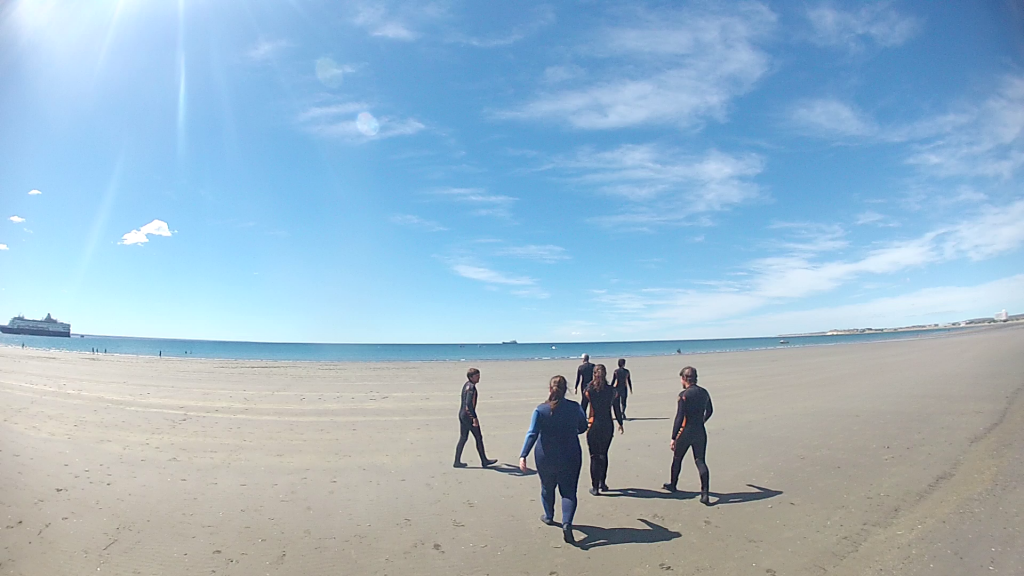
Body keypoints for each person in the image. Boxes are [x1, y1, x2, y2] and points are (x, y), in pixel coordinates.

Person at [519, 375, 589, 544]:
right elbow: (583, 426)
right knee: (569, 491)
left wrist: (523, 455)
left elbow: (532, 433)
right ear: (566, 390)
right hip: (571, 454)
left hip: (545, 456)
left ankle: (549, 516)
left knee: (547, 486)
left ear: (550, 389)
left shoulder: (541, 409)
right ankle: (567, 524)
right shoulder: (575, 407)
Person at [663, 366, 714, 504]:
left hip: (685, 432)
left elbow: (679, 417)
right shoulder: (704, 392)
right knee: (700, 461)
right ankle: (705, 493)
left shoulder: (683, 395)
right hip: (700, 431)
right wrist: (702, 421)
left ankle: (673, 485)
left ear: (685, 378)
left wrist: (673, 437)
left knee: (677, 458)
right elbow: (710, 410)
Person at [580, 364, 623, 495]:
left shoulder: (589, 390)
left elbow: (582, 409)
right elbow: (617, 409)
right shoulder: (612, 391)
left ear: (594, 374)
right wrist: (620, 423)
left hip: (593, 426)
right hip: (607, 425)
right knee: (603, 454)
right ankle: (602, 483)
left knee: (594, 456)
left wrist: (580, 425)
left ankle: (595, 487)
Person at [454, 367, 498, 468]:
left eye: (479, 376)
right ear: (471, 377)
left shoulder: (466, 385)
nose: (479, 378)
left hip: (462, 414)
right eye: (476, 376)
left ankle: (457, 461)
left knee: (463, 438)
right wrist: (474, 418)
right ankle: (484, 461)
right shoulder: (471, 388)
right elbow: (469, 404)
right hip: (467, 416)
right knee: (478, 437)